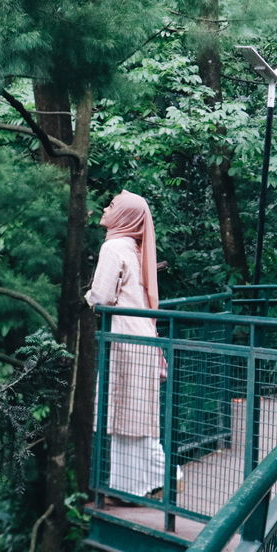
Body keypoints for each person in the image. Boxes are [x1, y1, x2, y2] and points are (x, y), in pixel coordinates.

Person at [85, 189, 166, 500]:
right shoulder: (131, 245)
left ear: (124, 216)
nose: (106, 207)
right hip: (142, 335)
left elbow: (101, 296)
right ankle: (137, 486)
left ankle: (156, 479)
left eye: (113, 205)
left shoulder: (114, 247)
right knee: (136, 414)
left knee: (126, 413)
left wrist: (88, 299)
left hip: (126, 339)